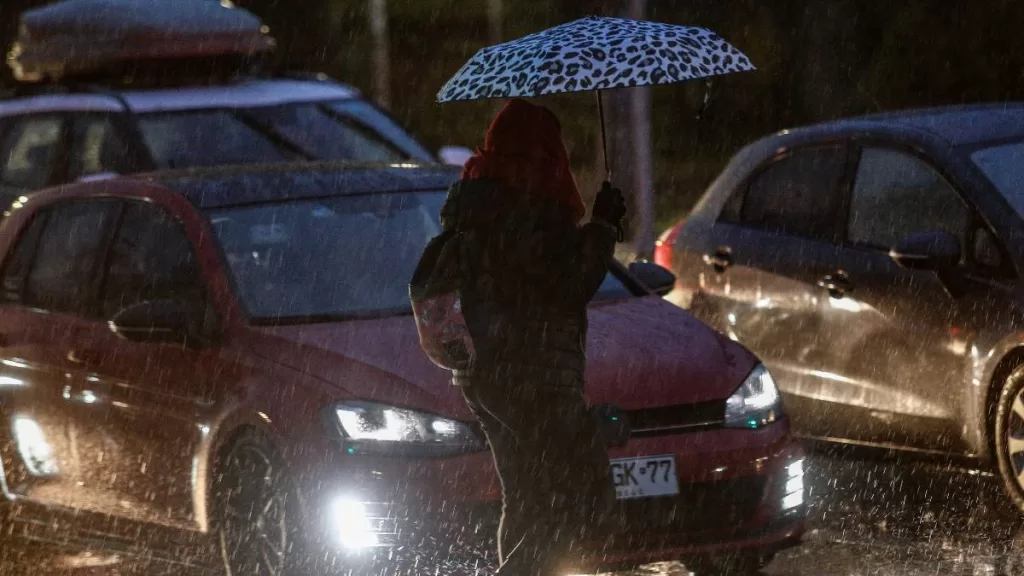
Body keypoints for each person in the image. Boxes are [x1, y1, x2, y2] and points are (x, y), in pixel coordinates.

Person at [438, 98, 628, 575]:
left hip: (484, 375)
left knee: (525, 498)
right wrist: (603, 225)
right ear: (544, 149)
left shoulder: (478, 201)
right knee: (580, 501)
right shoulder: (529, 200)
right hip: (537, 377)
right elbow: (567, 285)